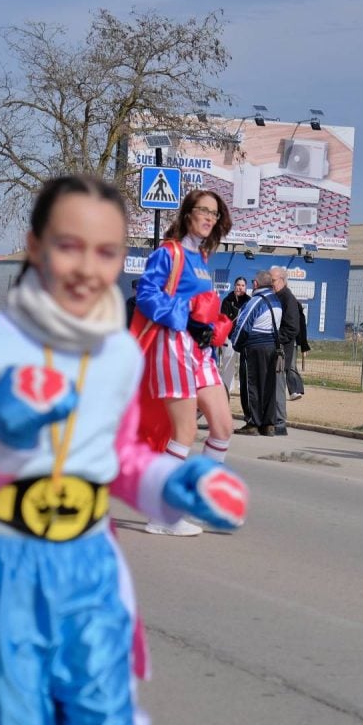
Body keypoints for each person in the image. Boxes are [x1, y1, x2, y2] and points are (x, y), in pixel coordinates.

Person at [0, 175, 247, 725]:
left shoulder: (115, 353)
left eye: (106, 252)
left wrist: (178, 483)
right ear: (35, 247)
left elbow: (119, 462)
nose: (88, 266)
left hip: (89, 569)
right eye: (69, 245)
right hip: (4, 569)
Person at [131, 189, 236, 536]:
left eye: (214, 213)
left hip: (200, 351)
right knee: (185, 432)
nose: (209, 218)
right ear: (188, 213)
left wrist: (213, 328)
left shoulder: (202, 258)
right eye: (203, 211)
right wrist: (185, 319)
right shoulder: (168, 253)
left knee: (223, 426)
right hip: (172, 346)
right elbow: (147, 295)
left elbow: (204, 307)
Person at [230, 270, 283, 436]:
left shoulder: (255, 301)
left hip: (254, 348)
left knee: (250, 385)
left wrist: (236, 344)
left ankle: (252, 422)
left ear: (256, 284)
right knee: (268, 386)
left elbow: (243, 325)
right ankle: (268, 424)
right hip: (272, 347)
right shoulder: (276, 301)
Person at [269, 266, 301, 435]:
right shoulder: (275, 297)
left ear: (282, 280)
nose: (271, 284)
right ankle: (271, 420)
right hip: (271, 350)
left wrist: (274, 338)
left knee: (278, 386)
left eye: (272, 281)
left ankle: (280, 422)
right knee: (271, 387)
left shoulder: (288, 299)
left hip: (281, 352)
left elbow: (292, 328)